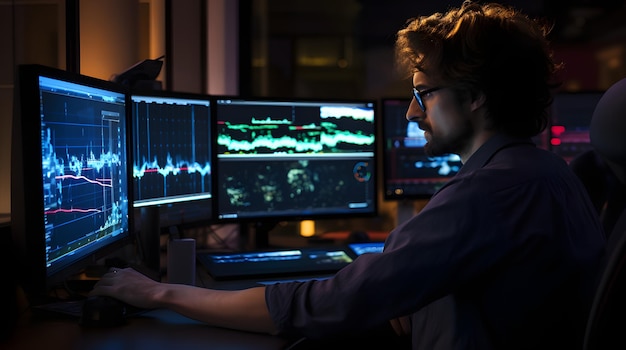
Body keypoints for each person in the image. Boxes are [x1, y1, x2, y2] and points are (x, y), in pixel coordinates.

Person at [92, 1, 606, 348]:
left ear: (474, 97)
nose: (410, 112)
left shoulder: (488, 194)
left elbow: (328, 304)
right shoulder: (547, 175)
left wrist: (157, 292)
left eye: (424, 93)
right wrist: (413, 298)